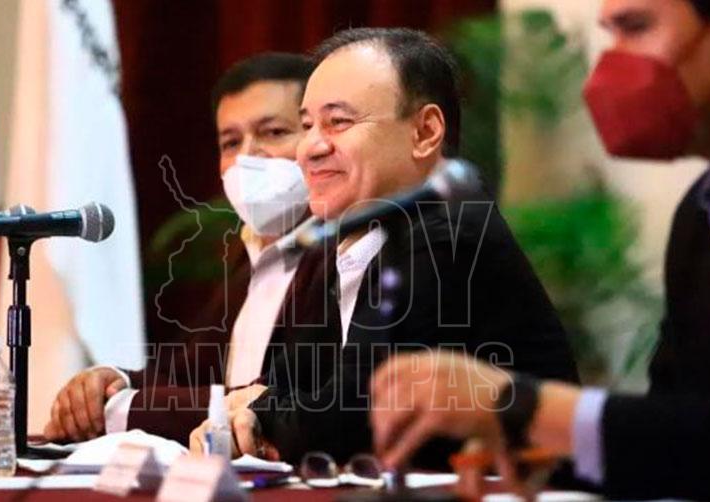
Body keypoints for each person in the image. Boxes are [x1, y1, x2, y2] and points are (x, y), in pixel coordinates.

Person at [370, 0, 710, 499]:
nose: (610, 67)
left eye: (636, 27)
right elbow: (687, 437)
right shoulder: (701, 214)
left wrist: (521, 407)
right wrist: (540, 451)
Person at [189, 28, 579, 465]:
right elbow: (294, 382)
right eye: (306, 125)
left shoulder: (449, 230)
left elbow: (358, 415)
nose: (309, 148)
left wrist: (260, 414)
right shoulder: (366, 236)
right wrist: (247, 409)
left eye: (338, 122)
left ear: (425, 132)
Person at [43, 52, 321, 443]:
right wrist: (112, 382)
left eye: (273, 132)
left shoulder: (340, 256)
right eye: (231, 142)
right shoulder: (248, 261)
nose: (247, 157)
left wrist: (122, 410)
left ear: (317, 140)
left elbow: (278, 397)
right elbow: (183, 376)